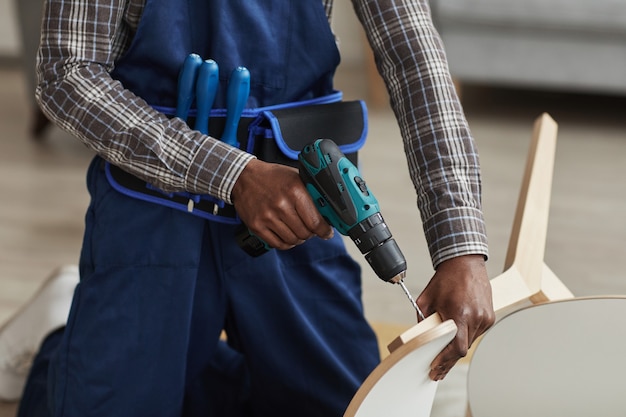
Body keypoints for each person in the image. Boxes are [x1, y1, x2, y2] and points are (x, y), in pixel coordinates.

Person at [14, 0, 495, 415]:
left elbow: (416, 60)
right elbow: (66, 74)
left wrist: (461, 247)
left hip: (301, 209)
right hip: (152, 206)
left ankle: (194, 376)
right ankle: (63, 342)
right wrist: (232, 173)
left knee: (350, 408)